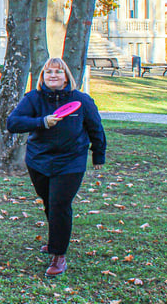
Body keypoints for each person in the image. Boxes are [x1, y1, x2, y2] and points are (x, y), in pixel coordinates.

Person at [6, 57, 106, 277]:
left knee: (60, 204)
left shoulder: (81, 100)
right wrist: (42, 122)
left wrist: (98, 155)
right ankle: (55, 242)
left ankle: (59, 255)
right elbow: (12, 123)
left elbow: (96, 128)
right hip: (39, 161)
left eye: (58, 72)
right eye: (48, 72)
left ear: (66, 76)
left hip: (71, 161)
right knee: (50, 203)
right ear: (42, 77)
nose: (53, 76)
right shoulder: (33, 98)